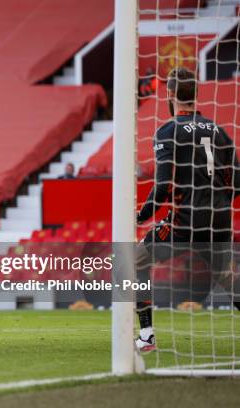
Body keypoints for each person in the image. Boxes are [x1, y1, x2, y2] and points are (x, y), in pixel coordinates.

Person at [135, 67, 240, 352]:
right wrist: (218, 203)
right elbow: (237, 180)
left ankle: (147, 335)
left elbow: (162, 187)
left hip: (186, 219)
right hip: (219, 218)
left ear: (169, 94)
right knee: (225, 276)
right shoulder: (218, 130)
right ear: (196, 93)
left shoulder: (167, 132)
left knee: (135, 260)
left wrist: (141, 215)